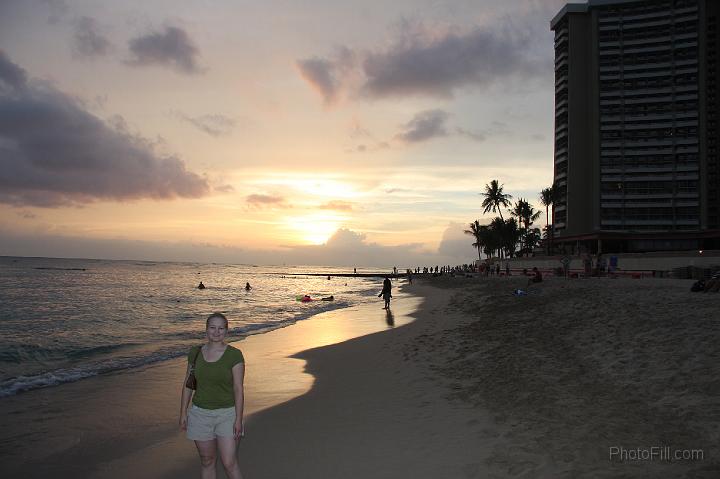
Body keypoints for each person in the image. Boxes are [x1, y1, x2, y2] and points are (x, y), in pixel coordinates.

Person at [180, 313, 245, 479]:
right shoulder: (195, 353)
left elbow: (238, 388)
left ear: (226, 331)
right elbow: (188, 385)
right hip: (200, 414)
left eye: (221, 328)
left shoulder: (234, 355)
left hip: (227, 414)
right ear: (206, 330)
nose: (216, 332)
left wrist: (238, 419)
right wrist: (183, 413)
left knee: (229, 462)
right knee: (207, 461)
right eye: (212, 328)